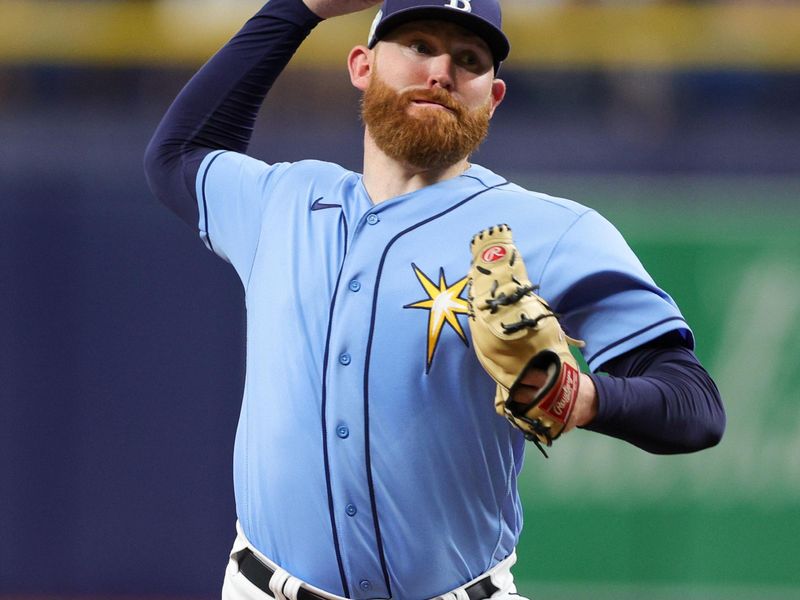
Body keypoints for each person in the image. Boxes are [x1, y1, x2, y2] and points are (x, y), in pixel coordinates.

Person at [144, 0, 726, 598]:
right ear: (362, 66)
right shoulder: (285, 202)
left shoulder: (552, 231)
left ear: (492, 97)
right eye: (419, 46)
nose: (441, 71)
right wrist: (299, 10)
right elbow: (176, 154)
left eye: (468, 59)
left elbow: (696, 408)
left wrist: (586, 399)